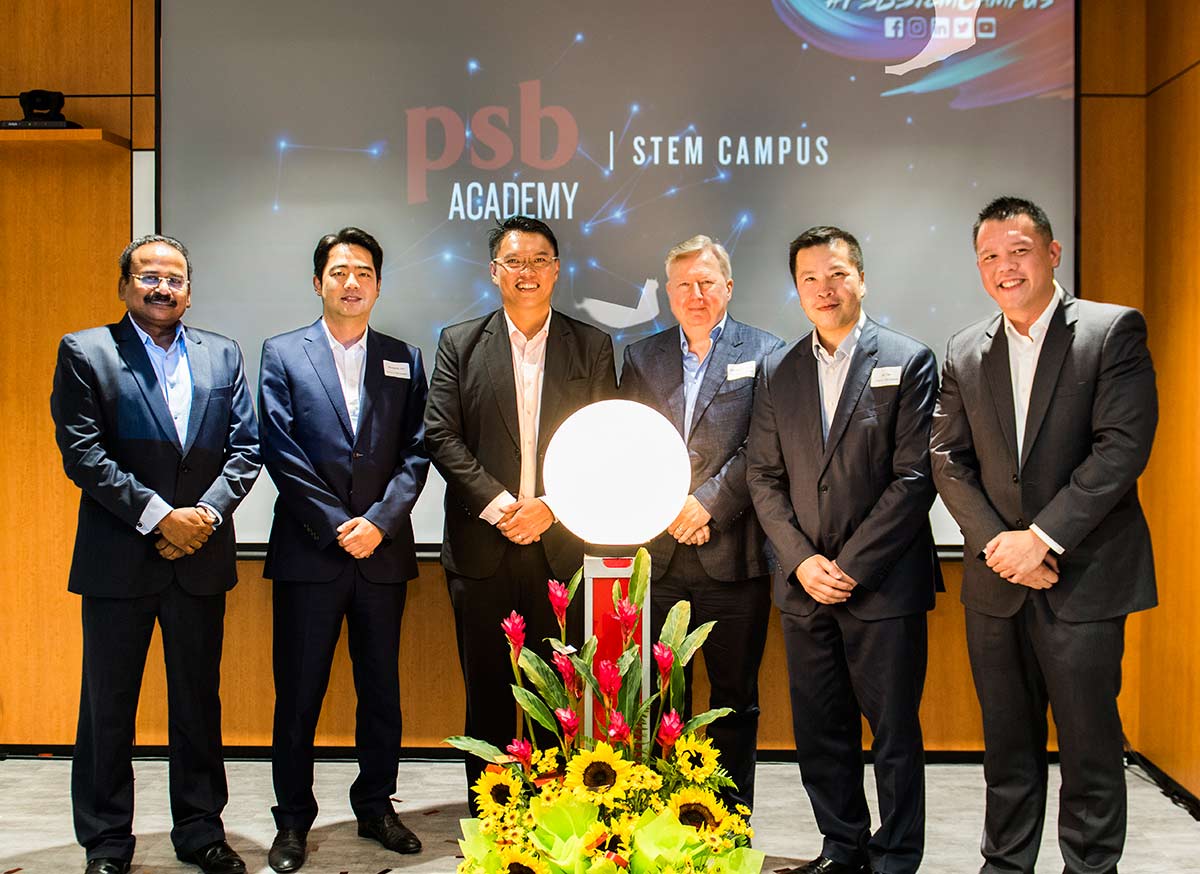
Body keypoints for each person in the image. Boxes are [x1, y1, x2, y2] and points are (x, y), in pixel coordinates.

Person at [930, 196, 1157, 874]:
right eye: (990, 256)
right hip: (996, 582)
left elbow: (1121, 448)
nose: (1006, 267)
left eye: (1020, 251)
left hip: (1084, 576)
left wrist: (1042, 539)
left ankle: (1090, 866)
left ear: (1053, 254)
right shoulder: (964, 349)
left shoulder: (1110, 331)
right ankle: (1005, 864)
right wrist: (1001, 546)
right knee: (1006, 746)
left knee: (1090, 745)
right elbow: (947, 458)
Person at [50, 235, 260, 874]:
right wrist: (160, 516)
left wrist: (204, 516)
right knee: (107, 707)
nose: (162, 288)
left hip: (200, 560)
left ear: (189, 291)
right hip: (119, 560)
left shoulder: (223, 354)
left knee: (198, 704)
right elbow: (83, 453)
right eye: (148, 276)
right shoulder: (86, 352)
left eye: (174, 279)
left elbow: (246, 449)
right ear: (124, 286)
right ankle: (107, 842)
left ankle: (200, 831)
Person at [746, 226, 940, 874]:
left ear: (861, 279)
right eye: (809, 279)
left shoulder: (909, 360)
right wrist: (802, 560)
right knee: (821, 730)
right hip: (804, 588)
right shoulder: (778, 369)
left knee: (893, 733)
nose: (824, 289)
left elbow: (914, 477)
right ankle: (841, 846)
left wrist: (851, 567)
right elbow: (763, 476)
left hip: (883, 586)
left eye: (836, 275)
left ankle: (896, 857)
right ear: (796, 289)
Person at [424, 215, 616, 801]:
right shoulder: (459, 343)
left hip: (561, 549)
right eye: (514, 261)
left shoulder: (592, 345)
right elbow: (441, 435)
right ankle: (493, 815)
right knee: (487, 688)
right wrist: (505, 507)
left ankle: (557, 813)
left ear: (556, 270)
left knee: (560, 695)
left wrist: (549, 508)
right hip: (482, 548)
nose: (526, 272)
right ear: (494, 271)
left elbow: (603, 438)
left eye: (538, 261)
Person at [258, 227, 430, 872]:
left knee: (380, 690)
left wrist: (378, 523)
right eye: (338, 272)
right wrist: (337, 525)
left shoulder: (405, 358)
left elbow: (417, 452)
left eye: (363, 272)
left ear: (378, 285)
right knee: (298, 694)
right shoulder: (283, 353)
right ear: (318, 282)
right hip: (311, 553)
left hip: (381, 555)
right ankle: (291, 821)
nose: (351, 282)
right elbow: (279, 449)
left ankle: (376, 806)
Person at [618, 234, 782, 811]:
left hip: (733, 552)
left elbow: (766, 445)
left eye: (707, 283)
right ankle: (664, 813)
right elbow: (631, 442)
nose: (696, 294)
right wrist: (671, 507)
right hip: (660, 557)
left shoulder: (767, 352)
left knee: (734, 697)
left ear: (727, 288)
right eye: (684, 284)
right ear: (668, 292)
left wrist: (708, 504)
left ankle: (729, 820)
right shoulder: (642, 357)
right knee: (660, 699)